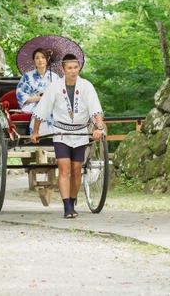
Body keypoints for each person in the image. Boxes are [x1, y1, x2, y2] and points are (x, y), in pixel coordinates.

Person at [30, 53, 104, 218]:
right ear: (63, 69)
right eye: (69, 68)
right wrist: (35, 131)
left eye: (76, 67)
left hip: (80, 132)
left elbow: (95, 108)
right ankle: (68, 206)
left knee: (76, 170)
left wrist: (98, 127)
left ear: (79, 68)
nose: (73, 71)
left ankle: (72, 198)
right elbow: (42, 110)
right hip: (61, 133)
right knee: (64, 169)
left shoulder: (86, 86)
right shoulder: (54, 87)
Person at [16, 48, 59, 136]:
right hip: (33, 103)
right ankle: (37, 134)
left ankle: (54, 136)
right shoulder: (27, 77)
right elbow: (21, 94)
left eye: (43, 57)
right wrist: (40, 99)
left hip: (51, 104)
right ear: (34, 61)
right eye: (37, 58)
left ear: (47, 60)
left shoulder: (55, 77)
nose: (40, 60)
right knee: (41, 107)